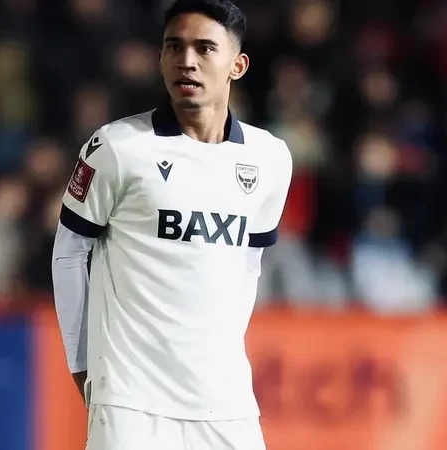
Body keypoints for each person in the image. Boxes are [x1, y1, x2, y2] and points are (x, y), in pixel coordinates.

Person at [50, 0, 293, 448]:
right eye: (174, 47)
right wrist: (81, 363)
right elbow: (68, 252)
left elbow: (249, 260)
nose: (187, 61)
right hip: (130, 404)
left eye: (205, 48)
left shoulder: (270, 158)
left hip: (226, 404)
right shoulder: (117, 147)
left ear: (237, 65)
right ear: (160, 59)